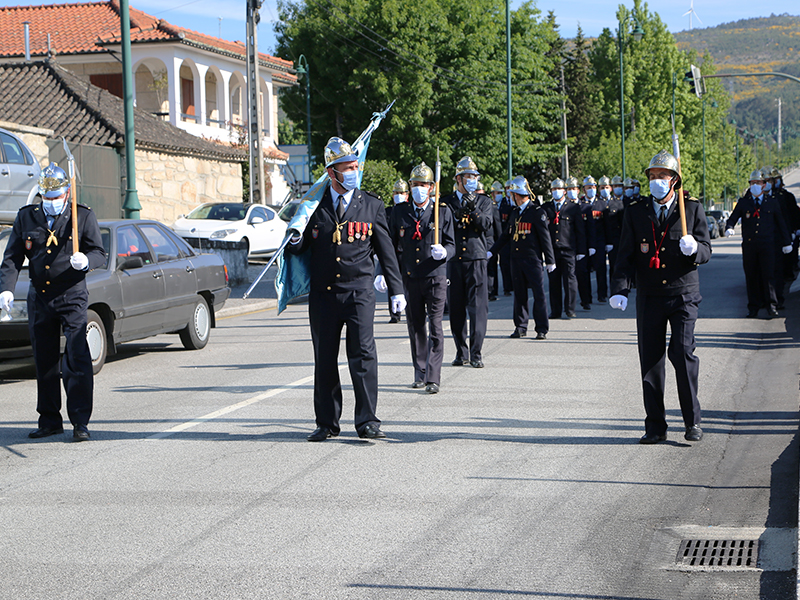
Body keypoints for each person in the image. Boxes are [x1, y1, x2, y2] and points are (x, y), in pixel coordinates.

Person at [285, 137, 405, 441]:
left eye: (355, 166)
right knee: (325, 358)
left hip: (359, 293)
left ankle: (367, 421)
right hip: (325, 294)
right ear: (332, 172)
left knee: (363, 355)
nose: (353, 172)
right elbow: (300, 250)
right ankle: (326, 422)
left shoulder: (372, 205)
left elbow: (386, 251)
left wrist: (397, 290)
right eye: (347, 167)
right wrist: (295, 238)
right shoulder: (313, 206)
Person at [609, 150, 711, 444]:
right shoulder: (636, 210)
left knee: (682, 353)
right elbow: (626, 253)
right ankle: (655, 425)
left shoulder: (690, 209)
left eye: (661, 177)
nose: (656, 181)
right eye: (652, 177)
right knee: (650, 360)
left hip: (683, 294)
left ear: (674, 181)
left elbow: (706, 250)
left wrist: (696, 249)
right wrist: (620, 288)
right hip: (650, 294)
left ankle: (692, 421)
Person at [0, 162, 106, 441]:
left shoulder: (81, 216)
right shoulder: (27, 217)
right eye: (46, 198)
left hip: (71, 294)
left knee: (76, 358)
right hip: (40, 296)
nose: (50, 203)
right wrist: (7, 289)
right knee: (44, 361)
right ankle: (49, 419)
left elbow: (99, 253)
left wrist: (86, 261)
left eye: (55, 198)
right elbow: (12, 257)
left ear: (67, 194)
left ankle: (80, 422)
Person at [387, 162, 455, 393]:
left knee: (435, 326)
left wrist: (445, 252)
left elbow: (452, 244)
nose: (419, 188)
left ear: (431, 187)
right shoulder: (399, 212)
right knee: (415, 325)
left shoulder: (442, 211)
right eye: (415, 185)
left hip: (435, 276)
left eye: (424, 185)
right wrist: (382, 272)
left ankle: (433, 377)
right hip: (411, 276)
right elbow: (390, 245)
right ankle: (420, 371)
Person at [441, 156, 493, 368]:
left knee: (478, 308)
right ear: (458, 179)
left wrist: (473, 210)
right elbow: (443, 227)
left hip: (476, 258)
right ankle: (461, 352)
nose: (472, 180)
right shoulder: (446, 202)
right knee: (456, 308)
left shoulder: (484, 201)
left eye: (474, 176)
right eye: (468, 177)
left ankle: (476, 353)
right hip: (454, 260)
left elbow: (486, 225)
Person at [489, 176, 555, 340]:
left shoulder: (537, 212)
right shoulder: (515, 213)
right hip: (516, 259)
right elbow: (506, 236)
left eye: (512, 194)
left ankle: (541, 328)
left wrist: (550, 260)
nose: (511, 197)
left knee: (538, 294)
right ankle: (520, 326)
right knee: (519, 295)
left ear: (518, 195)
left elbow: (545, 238)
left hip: (532, 259)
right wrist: (492, 251)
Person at [725, 169, 792, 318]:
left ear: (763, 185)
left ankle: (771, 305)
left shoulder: (772, 203)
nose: (755, 185)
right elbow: (733, 218)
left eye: (758, 182)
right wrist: (729, 227)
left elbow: (781, 223)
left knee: (768, 276)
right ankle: (753, 306)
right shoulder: (744, 203)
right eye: (752, 183)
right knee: (751, 276)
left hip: (767, 245)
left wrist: (787, 241)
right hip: (750, 246)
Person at [542, 177, 587, 319]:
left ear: (564, 191)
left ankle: (570, 309)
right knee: (554, 281)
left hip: (569, 249)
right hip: (552, 250)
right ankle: (555, 310)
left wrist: (581, 250)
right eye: (554, 189)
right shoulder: (546, 208)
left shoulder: (573, 208)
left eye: (559, 189)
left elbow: (580, 230)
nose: (557, 192)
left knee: (570, 280)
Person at [764, 167, 800, 309]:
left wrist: (793, 231)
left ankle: (778, 297)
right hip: (766, 238)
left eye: (772, 180)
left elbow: (789, 215)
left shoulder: (784, 196)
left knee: (780, 268)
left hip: (781, 236)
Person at [385, 178, 409, 323]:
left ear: (407, 194)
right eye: (396, 192)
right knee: (392, 282)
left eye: (401, 192)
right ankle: (395, 313)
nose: (398, 195)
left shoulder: (410, 209)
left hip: (407, 251)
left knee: (409, 284)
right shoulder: (387, 211)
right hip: (393, 251)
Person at [574, 176, 597, 310]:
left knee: (583, 273)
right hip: (571, 244)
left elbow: (590, 228)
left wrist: (591, 245)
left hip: (584, 244)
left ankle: (586, 299)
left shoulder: (585, 208)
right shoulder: (569, 207)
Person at [495, 180, 515, 296]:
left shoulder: (516, 203)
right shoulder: (502, 203)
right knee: (505, 262)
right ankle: (507, 287)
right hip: (505, 235)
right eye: (507, 187)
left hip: (516, 236)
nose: (508, 190)